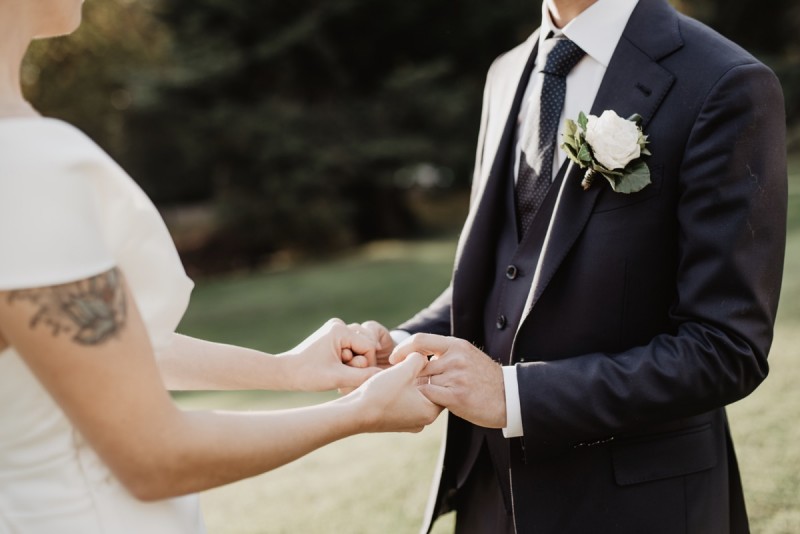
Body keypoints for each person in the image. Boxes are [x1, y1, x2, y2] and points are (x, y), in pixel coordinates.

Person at [0, 1, 441, 532]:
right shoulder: (24, 168)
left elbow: (88, 352)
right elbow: (152, 456)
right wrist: (359, 413)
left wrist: (284, 371)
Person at [369, 0, 788, 532]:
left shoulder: (723, 81)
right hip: (490, 498)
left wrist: (514, 396)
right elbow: (505, 275)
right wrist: (400, 343)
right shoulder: (506, 73)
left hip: (635, 506)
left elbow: (726, 349)